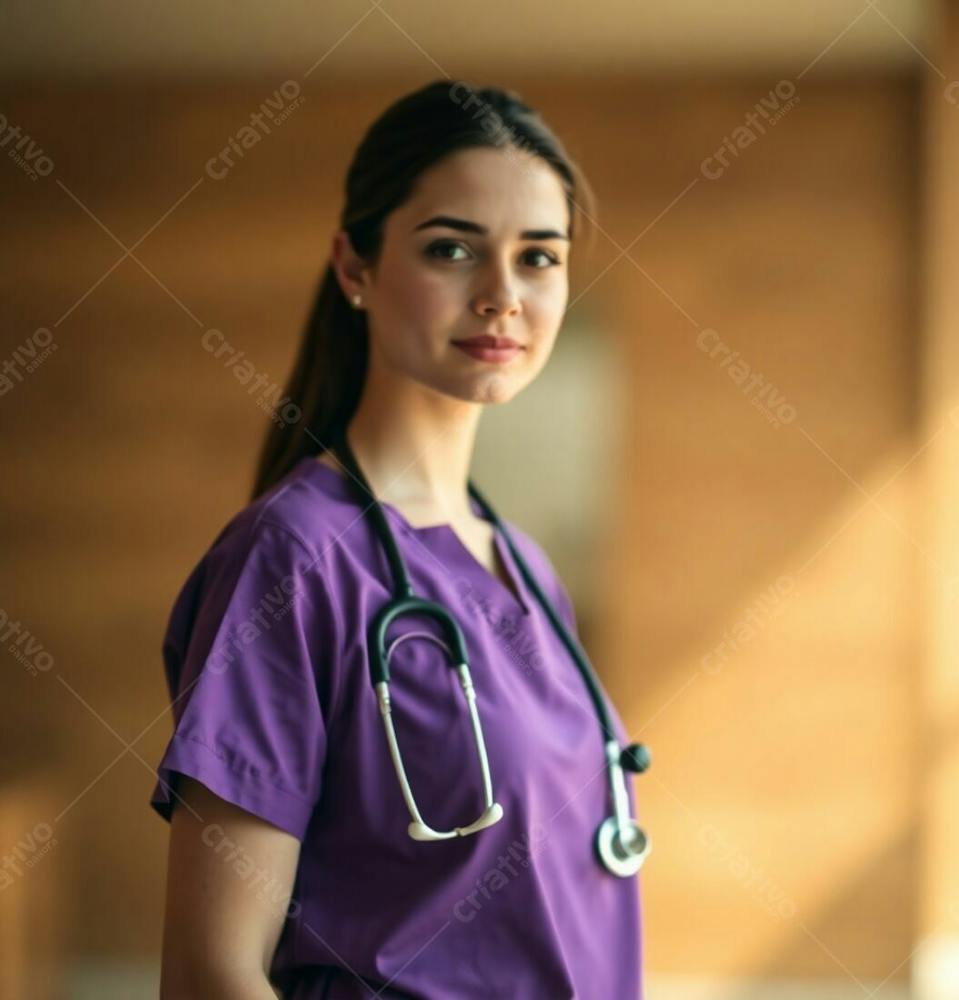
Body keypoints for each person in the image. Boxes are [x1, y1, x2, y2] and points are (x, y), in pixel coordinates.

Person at [150, 78, 644, 999]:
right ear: (356, 267)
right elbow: (210, 973)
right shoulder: (294, 560)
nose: (502, 295)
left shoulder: (525, 568)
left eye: (539, 257)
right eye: (453, 247)